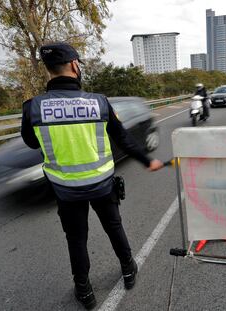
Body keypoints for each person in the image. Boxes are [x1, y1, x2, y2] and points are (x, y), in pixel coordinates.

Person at [21, 42, 164, 310]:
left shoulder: (33, 107)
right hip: (101, 185)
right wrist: (148, 160)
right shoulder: (99, 102)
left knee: (76, 239)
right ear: (74, 65)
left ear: (48, 70)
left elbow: (31, 142)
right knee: (114, 228)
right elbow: (124, 139)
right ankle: (128, 269)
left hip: (65, 189)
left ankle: (84, 290)